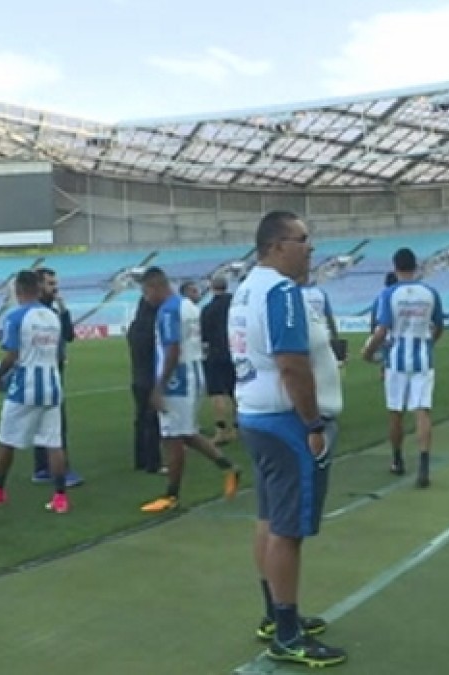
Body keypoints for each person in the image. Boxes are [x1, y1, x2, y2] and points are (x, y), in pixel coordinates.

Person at [230, 211, 345, 668]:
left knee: (268, 518)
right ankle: (287, 633)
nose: (310, 247)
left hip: (257, 414)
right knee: (288, 529)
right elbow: (292, 365)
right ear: (278, 245)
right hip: (285, 421)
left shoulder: (247, 288)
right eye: (302, 239)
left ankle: (276, 614)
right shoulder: (281, 292)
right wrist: (313, 424)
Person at [138, 266, 241, 513]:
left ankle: (171, 495)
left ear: (154, 286)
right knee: (186, 433)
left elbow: (172, 349)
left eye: (146, 292)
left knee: (172, 437)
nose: (146, 298)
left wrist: (159, 386)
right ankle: (228, 467)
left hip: (178, 379)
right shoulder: (188, 306)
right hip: (194, 372)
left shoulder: (168, 311)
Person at [0, 270, 71, 514]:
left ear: (18, 290)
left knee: (6, 440)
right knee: (54, 443)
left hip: (25, 387)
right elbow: (59, 355)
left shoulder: (16, 316)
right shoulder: (52, 316)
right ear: (37, 289)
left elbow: (12, 355)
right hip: (52, 385)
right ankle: (60, 497)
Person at [362, 247, 443, 487]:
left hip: (396, 360)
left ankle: (397, 460)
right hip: (423, 359)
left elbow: (382, 330)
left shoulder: (389, 294)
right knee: (422, 410)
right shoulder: (430, 293)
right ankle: (424, 464)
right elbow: (439, 326)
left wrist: (368, 352)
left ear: (395, 267)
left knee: (396, 411)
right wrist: (429, 343)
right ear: (416, 266)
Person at [32, 267, 83, 487]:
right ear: (39, 285)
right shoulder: (37, 313)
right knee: (56, 422)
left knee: (42, 420)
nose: (55, 288)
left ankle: (42, 468)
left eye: (55, 283)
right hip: (46, 371)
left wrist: (64, 310)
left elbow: (69, 336)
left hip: (53, 369)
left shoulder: (52, 310)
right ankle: (60, 470)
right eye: (50, 284)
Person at [200, 276, 237, 445]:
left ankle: (221, 430)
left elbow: (204, 337)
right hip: (235, 352)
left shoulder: (208, 309)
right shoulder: (235, 305)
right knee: (235, 392)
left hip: (215, 354)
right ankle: (237, 428)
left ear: (212, 288)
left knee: (217, 393)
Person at [128, 295, 163, 472]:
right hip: (152, 377)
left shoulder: (134, 328)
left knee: (141, 419)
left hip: (138, 377)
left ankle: (140, 459)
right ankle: (153, 462)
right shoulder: (154, 328)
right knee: (152, 421)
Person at [300, 277, 338, 342]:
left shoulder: (297, 292)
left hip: (304, 332)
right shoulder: (321, 293)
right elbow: (329, 317)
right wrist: (335, 336)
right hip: (320, 331)